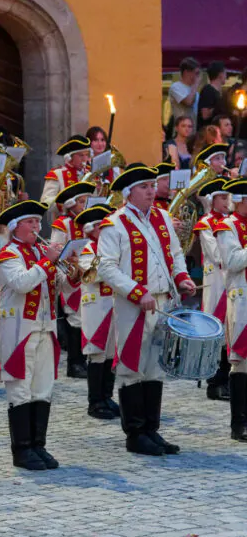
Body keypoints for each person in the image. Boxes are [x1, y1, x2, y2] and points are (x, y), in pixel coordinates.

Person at [97, 165, 197, 456]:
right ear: (129, 193)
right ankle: (135, 433)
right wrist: (136, 292)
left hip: (162, 300)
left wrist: (181, 277)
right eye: (144, 187)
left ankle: (152, 429)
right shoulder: (114, 223)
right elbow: (106, 267)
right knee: (132, 366)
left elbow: (175, 253)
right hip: (133, 304)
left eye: (153, 186)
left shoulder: (163, 217)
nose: (152, 191)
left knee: (155, 366)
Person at [0, 201, 66, 471]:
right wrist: (48, 262)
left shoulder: (38, 252)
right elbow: (22, 283)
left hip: (45, 326)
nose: (37, 227)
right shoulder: (8, 254)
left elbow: (55, 286)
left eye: (38, 221)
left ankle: (38, 445)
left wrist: (71, 273)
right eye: (30, 222)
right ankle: (21, 450)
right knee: (21, 390)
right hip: (19, 330)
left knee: (42, 388)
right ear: (15, 227)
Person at [75, 206, 119, 420]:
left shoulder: (109, 249)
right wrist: (112, 264)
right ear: (92, 230)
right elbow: (92, 275)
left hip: (112, 303)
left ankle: (106, 396)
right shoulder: (87, 249)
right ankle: (95, 401)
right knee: (96, 352)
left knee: (110, 353)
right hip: (96, 305)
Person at [49, 182, 95, 380]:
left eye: (86, 201)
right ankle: (74, 363)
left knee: (86, 315)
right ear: (70, 205)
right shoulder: (62, 223)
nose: (85, 205)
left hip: (87, 271)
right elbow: (56, 248)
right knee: (74, 315)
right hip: (70, 272)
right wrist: (70, 269)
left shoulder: (89, 222)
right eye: (81, 202)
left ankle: (84, 358)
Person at [215, 180, 247, 441]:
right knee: (241, 362)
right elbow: (233, 261)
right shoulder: (226, 227)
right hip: (242, 298)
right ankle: (239, 423)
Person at [194, 178, 231, 401]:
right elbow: (218, 255)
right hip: (216, 282)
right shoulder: (206, 223)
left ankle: (226, 378)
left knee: (231, 329)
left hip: (232, 281)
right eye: (222, 197)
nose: (227, 201)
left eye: (228, 197)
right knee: (217, 330)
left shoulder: (231, 221)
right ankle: (214, 382)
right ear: (212, 200)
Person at [40, 136, 92, 206]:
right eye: (81, 155)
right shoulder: (57, 174)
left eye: (86, 155)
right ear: (70, 157)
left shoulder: (90, 173)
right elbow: (45, 201)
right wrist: (65, 203)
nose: (84, 159)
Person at [168, 57, 200, 131]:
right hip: (180, 132)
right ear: (186, 72)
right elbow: (188, 102)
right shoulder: (176, 87)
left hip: (192, 132)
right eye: (196, 73)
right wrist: (195, 85)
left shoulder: (194, 92)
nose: (198, 77)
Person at [199, 60, 227, 125]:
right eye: (225, 73)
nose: (226, 76)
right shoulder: (208, 90)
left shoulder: (219, 92)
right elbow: (205, 115)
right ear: (220, 74)